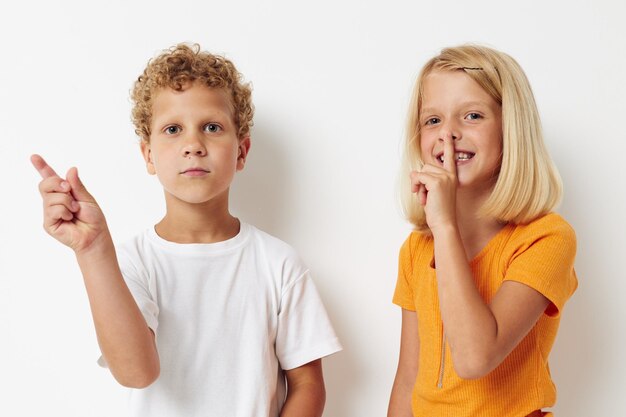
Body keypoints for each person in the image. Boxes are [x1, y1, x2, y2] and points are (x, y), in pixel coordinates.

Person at [31, 43, 341, 417]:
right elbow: (135, 373)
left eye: (211, 127)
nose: (193, 145)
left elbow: (307, 385)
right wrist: (93, 250)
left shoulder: (278, 263)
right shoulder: (130, 262)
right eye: (173, 129)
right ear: (148, 155)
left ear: (241, 152)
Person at [387, 45, 577, 417]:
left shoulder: (547, 238)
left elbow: (476, 358)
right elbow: (408, 379)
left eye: (472, 116)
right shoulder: (416, 249)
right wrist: (438, 229)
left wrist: (444, 225)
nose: (448, 135)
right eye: (432, 120)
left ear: (511, 129)